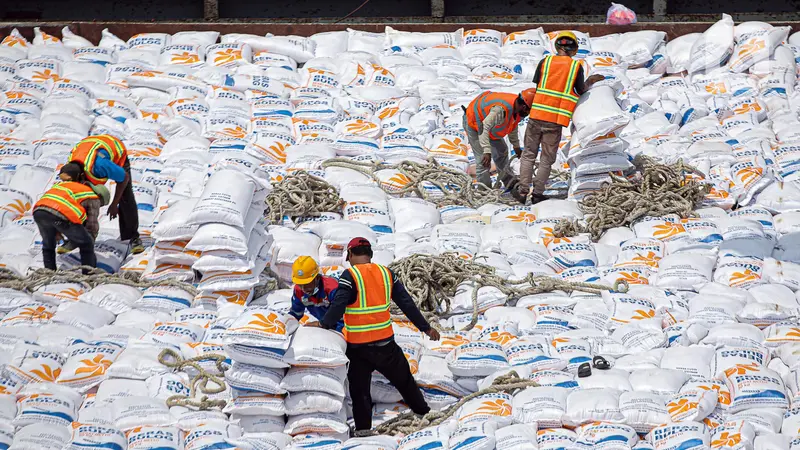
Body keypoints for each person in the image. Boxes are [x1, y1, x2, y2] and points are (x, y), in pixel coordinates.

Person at [312, 237, 440, 432]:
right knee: (405, 381)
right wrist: (425, 328)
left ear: (351, 255)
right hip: (386, 346)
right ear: (370, 255)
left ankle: (364, 431)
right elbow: (406, 303)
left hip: (358, 349)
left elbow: (338, 306)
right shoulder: (386, 273)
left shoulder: (349, 275)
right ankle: (423, 413)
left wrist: (323, 324)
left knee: (360, 392)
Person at [517, 31, 605, 205]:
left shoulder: (545, 62)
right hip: (554, 120)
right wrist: (592, 80)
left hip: (536, 116)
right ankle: (537, 194)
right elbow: (580, 90)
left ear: (556, 47)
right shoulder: (575, 67)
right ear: (574, 50)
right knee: (547, 159)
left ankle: (522, 192)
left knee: (528, 155)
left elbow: (539, 84)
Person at [68, 134, 143, 254]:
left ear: (81, 176)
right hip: (88, 147)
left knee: (126, 196)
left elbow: (124, 178)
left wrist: (114, 204)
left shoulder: (100, 166)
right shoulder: (70, 168)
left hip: (115, 149)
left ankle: (132, 238)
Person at [33, 163, 110, 273]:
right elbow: (92, 224)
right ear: (101, 197)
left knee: (48, 245)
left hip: (39, 211)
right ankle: (89, 276)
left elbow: (52, 206)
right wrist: (89, 239)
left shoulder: (69, 186)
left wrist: (57, 230)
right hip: (61, 213)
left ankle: (49, 273)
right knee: (87, 244)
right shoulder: (93, 197)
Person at [463, 88, 537, 200]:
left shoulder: (516, 109)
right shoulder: (499, 110)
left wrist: (516, 146)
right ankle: (484, 191)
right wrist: (487, 151)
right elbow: (484, 128)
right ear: (524, 107)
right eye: (529, 111)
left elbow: (513, 126)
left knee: (502, 151)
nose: (528, 114)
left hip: (489, 126)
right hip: (475, 124)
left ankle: (509, 182)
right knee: (483, 160)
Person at [289, 255, 344, 332]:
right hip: (324, 325)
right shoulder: (298, 291)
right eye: (300, 284)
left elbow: (343, 318)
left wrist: (321, 325)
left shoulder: (332, 289)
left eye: (307, 284)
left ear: (317, 278)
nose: (303, 289)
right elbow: (295, 313)